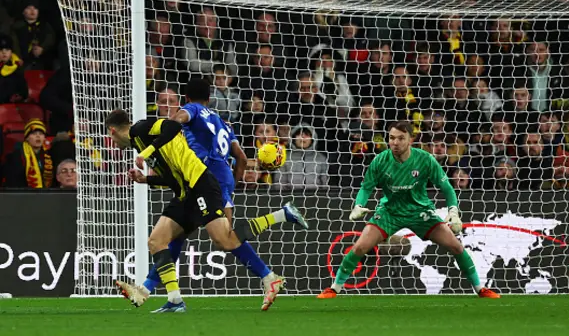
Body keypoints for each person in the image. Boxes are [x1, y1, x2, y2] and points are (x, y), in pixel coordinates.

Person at [118, 78, 307, 311]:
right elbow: (242, 158)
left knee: (224, 239)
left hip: (206, 177)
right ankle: (158, 293)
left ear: (186, 99)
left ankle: (278, 231)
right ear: (209, 98)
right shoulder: (222, 121)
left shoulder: (192, 110)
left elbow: (176, 121)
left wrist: (159, 137)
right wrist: (230, 187)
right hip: (218, 177)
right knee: (176, 237)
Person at [317, 121, 500, 299]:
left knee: (456, 246)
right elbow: (366, 187)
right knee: (360, 247)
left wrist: (453, 211)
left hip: (420, 212)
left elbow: (447, 188)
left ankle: (480, 288)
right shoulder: (380, 160)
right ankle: (334, 288)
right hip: (390, 212)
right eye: (392, 138)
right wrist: (358, 205)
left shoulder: (425, 159)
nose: (395, 142)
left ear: (410, 140)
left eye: (400, 138)